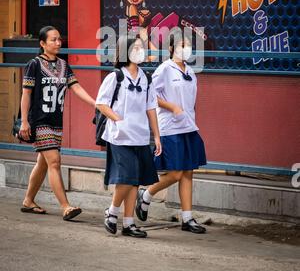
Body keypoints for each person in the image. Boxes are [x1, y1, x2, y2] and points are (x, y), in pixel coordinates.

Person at [19, 26, 95, 221]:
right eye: (53, 40)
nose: (58, 43)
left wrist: (96, 104)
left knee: (43, 163)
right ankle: (65, 206)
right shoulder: (34, 64)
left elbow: (75, 87)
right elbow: (26, 95)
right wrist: (25, 122)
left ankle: (28, 201)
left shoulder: (63, 64)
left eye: (59, 39)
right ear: (42, 44)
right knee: (54, 161)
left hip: (56, 121)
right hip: (40, 121)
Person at [135, 32, 207, 234]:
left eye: (188, 45)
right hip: (170, 127)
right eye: (181, 44)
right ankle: (146, 194)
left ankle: (187, 218)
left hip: (188, 126)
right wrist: (172, 107)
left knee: (188, 172)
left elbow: (191, 100)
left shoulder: (190, 71)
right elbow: (151, 95)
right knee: (175, 173)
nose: (186, 48)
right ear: (171, 49)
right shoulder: (164, 69)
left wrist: (189, 117)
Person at [96, 34, 161, 238]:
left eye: (142, 48)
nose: (141, 51)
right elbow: (101, 103)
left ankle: (129, 223)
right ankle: (112, 212)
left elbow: (151, 108)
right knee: (127, 176)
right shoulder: (115, 77)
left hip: (140, 136)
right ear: (126, 51)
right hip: (119, 136)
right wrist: (118, 119)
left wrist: (157, 137)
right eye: (136, 48)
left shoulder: (146, 77)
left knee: (135, 180)